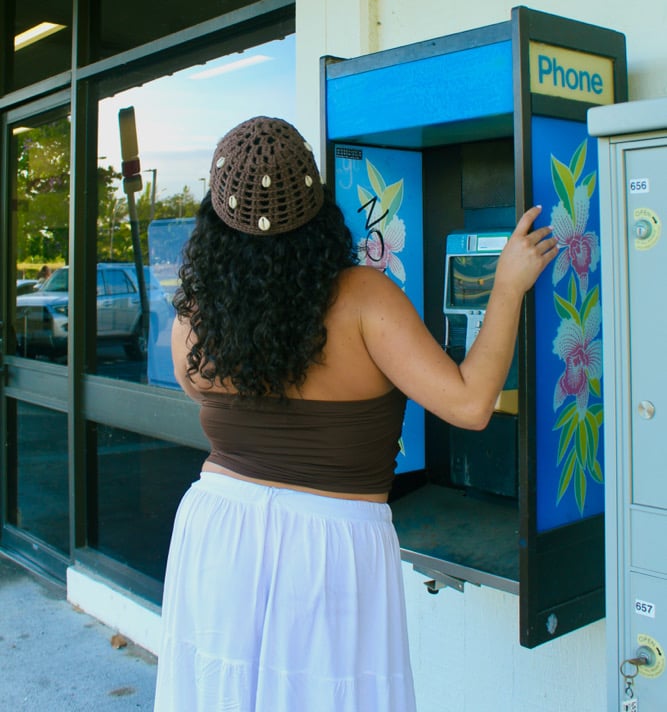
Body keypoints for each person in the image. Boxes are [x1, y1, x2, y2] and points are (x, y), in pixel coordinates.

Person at [154, 115, 557, 712]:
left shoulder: (192, 317)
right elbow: (472, 406)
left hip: (218, 530)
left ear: (214, 219)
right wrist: (507, 285)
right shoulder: (366, 298)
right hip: (329, 545)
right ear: (319, 207)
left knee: (220, 689)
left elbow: (201, 396)